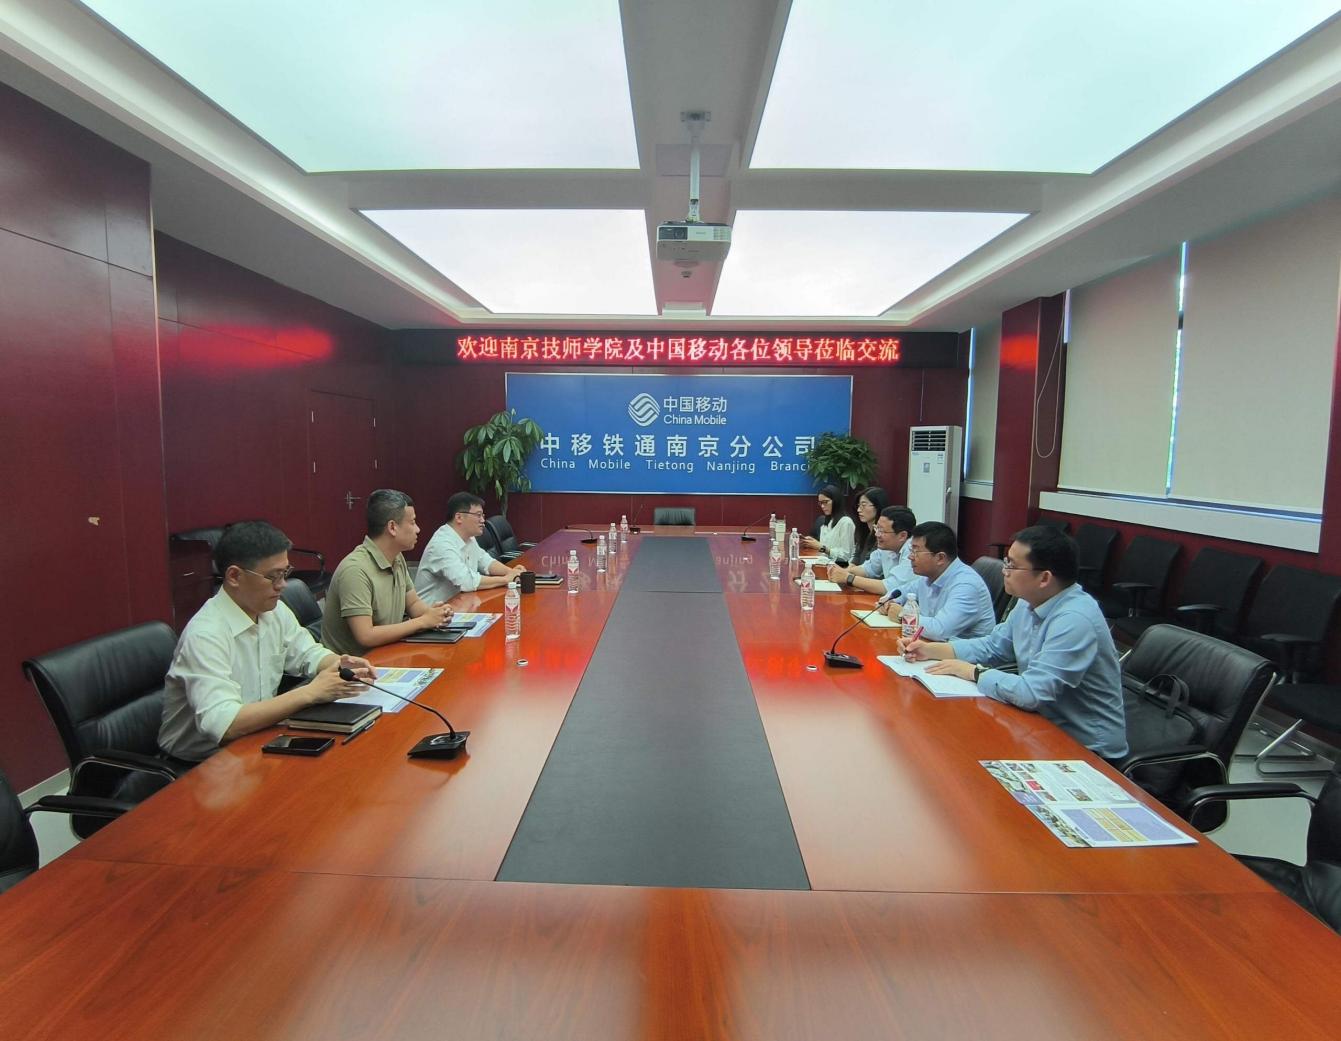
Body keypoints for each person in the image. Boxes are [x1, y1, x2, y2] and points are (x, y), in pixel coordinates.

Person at [905, 525, 1127, 760]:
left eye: (1011, 565)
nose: (1004, 571)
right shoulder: (1028, 601)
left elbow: (1032, 693)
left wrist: (974, 672)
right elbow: (993, 647)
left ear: (1044, 578)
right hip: (1038, 725)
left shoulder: (1075, 619)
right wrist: (931, 650)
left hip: (1086, 747)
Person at [159, 521, 374, 763]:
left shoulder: (273, 610)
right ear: (234, 576)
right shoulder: (206, 635)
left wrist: (338, 663)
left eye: (285, 572)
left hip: (258, 738)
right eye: (272, 576)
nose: (282, 585)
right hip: (200, 764)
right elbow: (224, 724)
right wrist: (310, 693)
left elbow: (307, 653)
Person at [321, 489, 454, 655]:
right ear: (392, 527)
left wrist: (434, 614)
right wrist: (423, 621)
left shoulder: (396, 557)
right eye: (412, 522)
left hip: (387, 652)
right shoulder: (355, 570)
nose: (418, 529)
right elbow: (366, 636)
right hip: (354, 664)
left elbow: (413, 604)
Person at [876, 521, 995, 639]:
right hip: (929, 645)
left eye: (916, 552)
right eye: (911, 550)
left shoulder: (966, 586)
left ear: (940, 558)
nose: (910, 557)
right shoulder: (928, 576)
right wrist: (888, 602)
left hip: (959, 649)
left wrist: (902, 615)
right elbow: (900, 592)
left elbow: (940, 630)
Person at [417, 492, 527, 603]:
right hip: (433, 610)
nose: (483, 520)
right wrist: (506, 579)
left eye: (483, 516)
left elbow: (486, 562)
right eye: (478, 515)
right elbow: (466, 581)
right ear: (459, 517)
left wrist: (512, 572)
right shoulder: (442, 544)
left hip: (459, 603)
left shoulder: (469, 538)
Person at [829, 505, 915, 598]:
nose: (877, 534)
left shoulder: (913, 552)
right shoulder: (887, 547)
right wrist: (843, 571)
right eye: (877, 528)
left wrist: (848, 578)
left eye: (882, 531)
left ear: (902, 536)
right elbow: (868, 568)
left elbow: (889, 587)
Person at [802, 484, 856, 562]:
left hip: (839, 566)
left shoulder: (846, 522)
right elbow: (825, 549)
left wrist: (821, 547)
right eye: (820, 503)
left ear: (836, 501)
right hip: (824, 562)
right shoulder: (826, 522)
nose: (822, 506)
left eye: (825, 502)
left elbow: (846, 556)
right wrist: (814, 543)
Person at [849, 486, 890, 565]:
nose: (859, 510)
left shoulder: (882, 535)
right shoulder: (864, 532)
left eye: (863, 505)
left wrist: (846, 571)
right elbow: (856, 559)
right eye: (858, 506)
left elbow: (870, 567)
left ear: (878, 506)